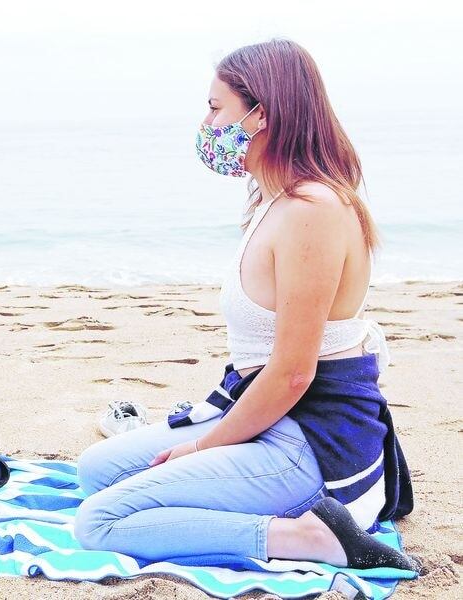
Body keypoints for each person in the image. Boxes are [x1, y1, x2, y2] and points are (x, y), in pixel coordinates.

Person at [74, 39, 417, 571]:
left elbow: (292, 375)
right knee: (98, 469)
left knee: (99, 523)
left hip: (311, 438)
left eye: (215, 108)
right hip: (269, 414)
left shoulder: (313, 211)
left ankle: (312, 538)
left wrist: (200, 448)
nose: (206, 123)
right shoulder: (272, 197)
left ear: (262, 114)